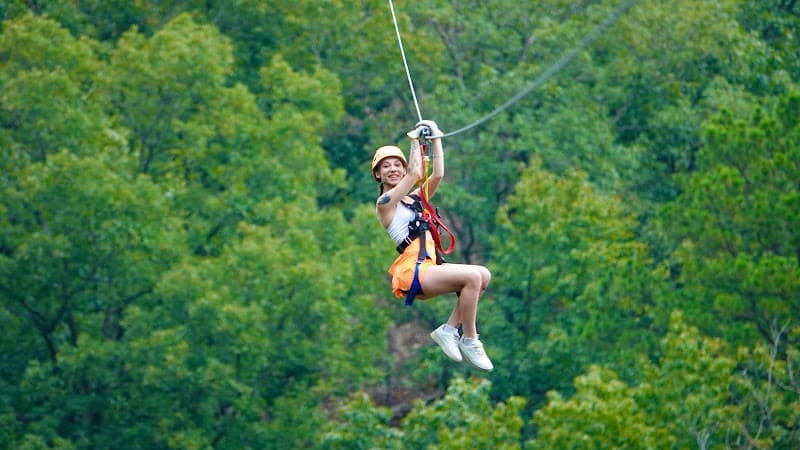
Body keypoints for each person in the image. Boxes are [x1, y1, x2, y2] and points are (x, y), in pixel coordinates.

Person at [371, 119, 493, 372]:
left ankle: (449, 330)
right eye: (386, 166)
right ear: (377, 174)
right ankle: (470, 339)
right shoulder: (384, 203)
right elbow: (416, 174)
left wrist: (436, 137)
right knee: (471, 277)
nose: (393, 169)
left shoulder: (414, 199)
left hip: (427, 267)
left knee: (483, 275)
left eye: (397, 164)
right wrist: (415, 141)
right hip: (413, 272)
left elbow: (437, 175)